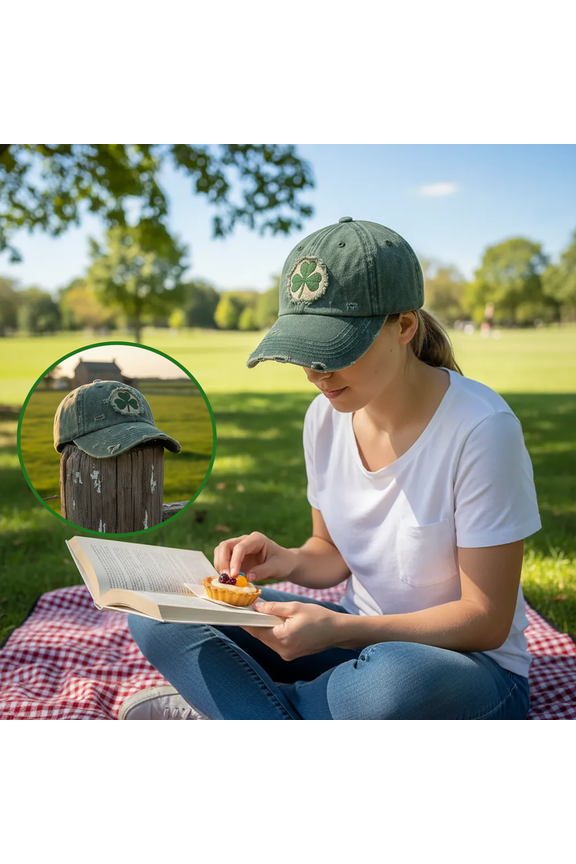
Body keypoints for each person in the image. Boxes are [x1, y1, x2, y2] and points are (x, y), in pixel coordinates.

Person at [120, 217, 541, 720]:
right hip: (353, 638)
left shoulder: (482, 428)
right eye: (305, 351)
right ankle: (279, 713)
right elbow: (331, 554)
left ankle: (239, 710)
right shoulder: (324, 418)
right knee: (160, 612)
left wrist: (342, 630)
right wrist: (289, 560)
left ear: (404, 326)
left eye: (335, 349)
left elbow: (486, 620)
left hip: (466, 667)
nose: (317, 373)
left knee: (390, 684)